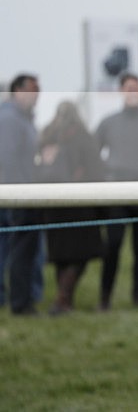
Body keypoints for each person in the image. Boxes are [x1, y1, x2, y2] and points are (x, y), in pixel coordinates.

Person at [95, 72, 138, 309]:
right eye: (128, 88)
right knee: (113, 244)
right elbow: (94, 153)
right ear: (121, 91)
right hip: (117, 193)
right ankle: (104, 298)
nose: (132, 92)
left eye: (136, 88)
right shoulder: (108, 122)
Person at [38, 101, 106, 315]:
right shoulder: (84, 138)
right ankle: (63, 300)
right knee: (79, 256)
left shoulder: (47, 136)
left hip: (54, 204)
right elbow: (96, 172)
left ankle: (64, 300)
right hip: (80, 205)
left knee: (61, 257)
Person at [0, 74, 42, 315]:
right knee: (19, 250)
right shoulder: (10, 119)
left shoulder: (20, 118)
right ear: (17, 90)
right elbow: (8, 158)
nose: (36, 95)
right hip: (17, 194)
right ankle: (20, 302)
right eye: (31, 90)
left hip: (18, 191)